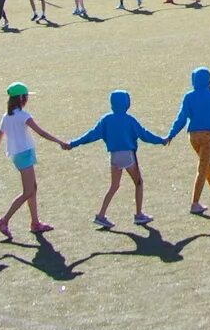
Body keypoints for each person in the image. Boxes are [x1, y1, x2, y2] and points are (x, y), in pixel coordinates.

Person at [67, 89, 163, 228]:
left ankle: (101, 215)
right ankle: (139, 214)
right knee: (139, 183)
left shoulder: (106, 120)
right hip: (127, 155)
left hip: (114, 156)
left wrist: (73, 143)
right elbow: (144, 135)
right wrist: (161, 140)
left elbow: (90, 135)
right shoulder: (129, 120)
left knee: (114, 186)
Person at [0, 82, 67, 242]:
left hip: (19, 155)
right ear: (22, 98)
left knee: (33, 188)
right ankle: (4, 220)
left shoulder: (6, 117)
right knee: (28, 191)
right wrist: (59, 142)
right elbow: (41, 132)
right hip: (24, 154)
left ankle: (35, 223)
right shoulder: (23, 116)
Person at [165, 67, 210, 215]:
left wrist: (171, 134)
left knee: (208, 165)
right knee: (203, 168)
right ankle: (195, 203)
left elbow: (181, 118)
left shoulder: (189, 97)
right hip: (207, 136)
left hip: (193, 136)